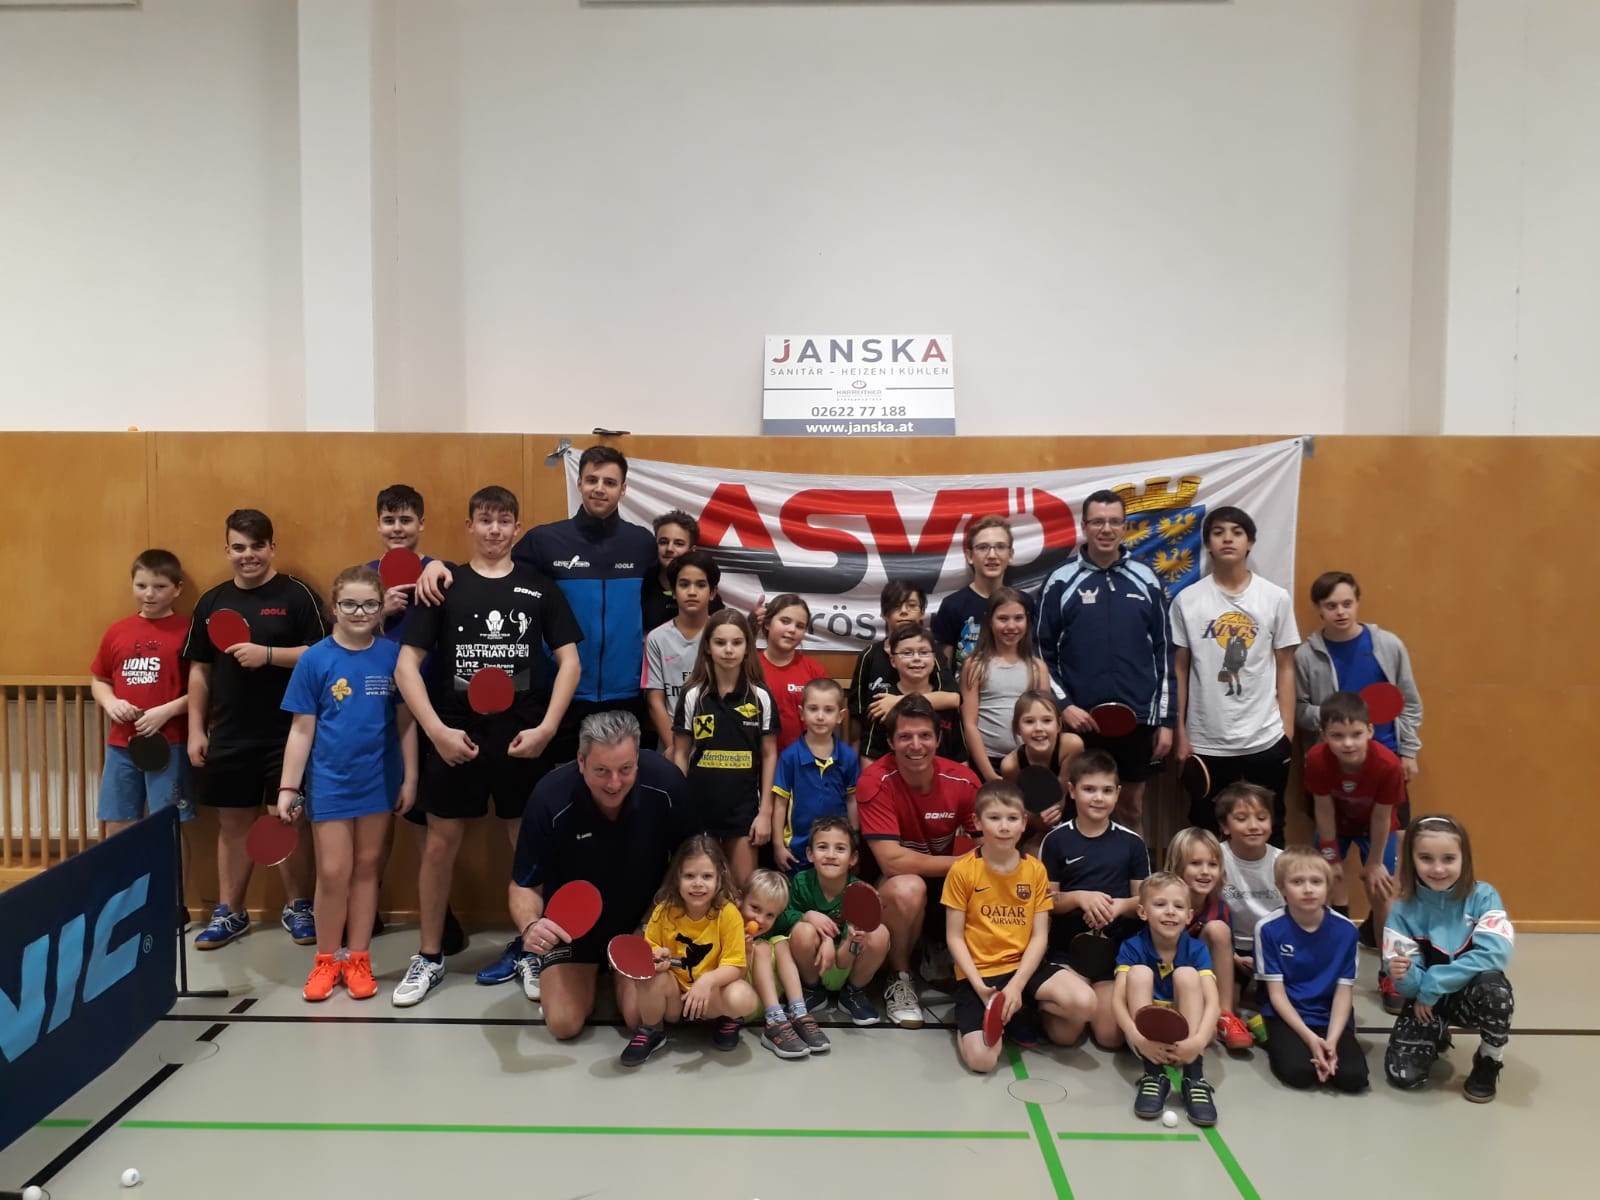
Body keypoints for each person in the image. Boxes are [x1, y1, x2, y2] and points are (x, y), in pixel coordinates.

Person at [391, 485, 582, 1007]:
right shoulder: (443, 586)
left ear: (517, 528)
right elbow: (406, 666)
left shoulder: (540, 587)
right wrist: (436, 731)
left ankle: (533, 950)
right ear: (470, 526)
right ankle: (429, 956)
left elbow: (570, 661)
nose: (494, 529)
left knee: (529, 848)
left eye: (504, 521)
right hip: (457, 736)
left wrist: (546, 729)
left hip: (523, 738)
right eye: (485, 519)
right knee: (439, 845)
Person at [417, 445, 656, 759]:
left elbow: (665, 594)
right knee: (562, 782)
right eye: (591, 480)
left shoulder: (642, 543)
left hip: (627, 693)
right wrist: (440, 566)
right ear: (579, 483)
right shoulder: (546, 540)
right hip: (562, 695)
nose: (599, 488)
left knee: (619, 778)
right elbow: (492, 567)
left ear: (623, 489)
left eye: (610, 482)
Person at [183, 509, 326, 949]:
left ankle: (299, 906)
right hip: (229, 734)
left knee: (288, 819)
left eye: (257, 546)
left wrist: (268, 655)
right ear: (227, 550)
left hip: (289, 733)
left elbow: (324, 652)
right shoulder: (211, 602)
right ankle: (231, 911)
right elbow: (200, 671)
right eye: (239, 547)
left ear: (272, 548)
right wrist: (196, 730)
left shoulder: (297, 595)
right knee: (233, 824)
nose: (248, 555)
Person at [276, 567, 419, 1002]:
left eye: (369, 604)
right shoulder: (315, 659)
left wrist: (410, 777)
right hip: (330, 783)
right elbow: (301, 729)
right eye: (350, 604)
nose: (360, 612)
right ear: (333, 609)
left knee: (367, 869)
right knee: (334, 872)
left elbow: (406, 722)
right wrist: (288, 788)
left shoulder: (393, 656)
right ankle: (326, 960)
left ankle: (358, 958)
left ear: (381, 608)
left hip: (379, 781)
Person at [510, 710, 695, 1040]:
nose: (614, 783)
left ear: (637, 759)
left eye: (625, 769)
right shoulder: (550, 797)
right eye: (601, 771)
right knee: (563, 1024)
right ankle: (588, 975)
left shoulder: (667, 784)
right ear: (581, 762)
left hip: (642, 925)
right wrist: (530, 926)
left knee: (640, 1019)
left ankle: (615, 975)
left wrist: (655, 923)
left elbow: (691, 864)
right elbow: (523, 885)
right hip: (574, 931)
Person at [1037, 489, 1175, 832]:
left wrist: (1165, 720)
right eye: (1098, 522)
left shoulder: (1147, 579)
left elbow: (1164, 653)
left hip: (1138, 719)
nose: (1106, 529)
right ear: (1084, 526)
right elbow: (1040, 652)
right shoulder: (1060, 581)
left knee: (1131, 807)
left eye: (1114, 522)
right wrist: (1064, 705)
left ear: (1125, 527)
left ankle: (1134, 868)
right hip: (1080, 721)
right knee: (1076, 806)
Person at [365, 483, 460, 951]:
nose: (397, 528)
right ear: (378, 525)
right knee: (376, 815)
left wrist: (441, 569)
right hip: (375, 711)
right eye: (389, 520)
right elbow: (340, 637)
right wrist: (378, 613)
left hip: (431, 710)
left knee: (428, 819)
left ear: (422, 524)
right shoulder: (364, 579)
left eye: (406, 520)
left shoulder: (441, 574)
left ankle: (439, 916)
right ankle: (366, 909)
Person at [1171, 506, 1299, 841]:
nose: (1227, 538)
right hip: (1206, 741)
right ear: (1208, 545)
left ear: (1250, 542)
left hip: (1265, 737)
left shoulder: (1275, 598)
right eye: (1218, 532)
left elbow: (1286, 665)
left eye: (1237, 532)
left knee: (1270, 827)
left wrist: (1286, 731)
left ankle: (1271, 882)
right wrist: (1181, 732)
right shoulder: (1187, 601)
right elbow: (1179, 669)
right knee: (1206, 832)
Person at [857, 694, 981, 1028]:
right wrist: (966, 862)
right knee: (908, 888)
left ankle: (980, 969)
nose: (916, 745)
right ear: (890, 742)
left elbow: (990, 848)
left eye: (925, 735)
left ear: (938, 739)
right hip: (889, 886)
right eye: (905, 737)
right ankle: (900, 977)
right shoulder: (874, 781)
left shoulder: (964, 780)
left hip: (944, 885)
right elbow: (892, 863)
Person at [943, 780, 1081, 1071]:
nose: (1004, 827)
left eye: (1012, 818)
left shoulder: (1035, 870)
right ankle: (973, 1021)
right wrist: (980, 987)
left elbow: (1040, 936)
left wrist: (1017, 985)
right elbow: (954, 937)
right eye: (994, 818)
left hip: (1023, 969)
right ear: (977, 822)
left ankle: (1020, 1009)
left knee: (1083, 1004)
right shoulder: (962, 871)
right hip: (980, 975)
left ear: (1024, 823)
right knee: (982, 1061)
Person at [1383, 814, 1514, 1102]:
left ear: (1464, 859)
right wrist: (1403, 975)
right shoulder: (1402, 910)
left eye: (1449, 858)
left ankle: (1489, 1059)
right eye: (1426, 858)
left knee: (1497, 993)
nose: (1438, 868)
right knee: (1403, 1075)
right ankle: (1437, 1031)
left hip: (1463, 996)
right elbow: (1408, 988)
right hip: (1424, 1004)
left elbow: (1495, 953)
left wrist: (1433, 985)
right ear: (1411, 860)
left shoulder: (1484, 896)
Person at [1038, 751, 1149, 1050]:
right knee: (1064, 1037)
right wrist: (1079, 898)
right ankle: (1040, 1002)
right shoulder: (1056, 840)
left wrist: (1119, 906)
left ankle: (1087, 1003)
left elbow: (1144, 902)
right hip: (1067, 952)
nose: (1098, 798)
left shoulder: (1132, 843)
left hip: (1113, 954)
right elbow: (1046, 902)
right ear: (1072, 791)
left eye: (1106, 790)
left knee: (1110, 1038)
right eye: (1089, 789)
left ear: (1118, 793)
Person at [1305, 691, 1405, 1013]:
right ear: (1324, 735)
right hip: (1336, 824)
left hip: (1374, 828)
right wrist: (1331, 856)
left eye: (1356, 734)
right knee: (1323, 881)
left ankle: (1389, 971)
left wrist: (1374, 862)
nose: (1348, 743)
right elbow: (1322, 808)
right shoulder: (1317, 759)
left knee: (1382, 891)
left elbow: (1382, 817)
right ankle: (1332, 957)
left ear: (1370, 731)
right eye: (1337, 736)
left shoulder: (1388, 764)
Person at [620, 835, 759, 1066]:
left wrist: (707, 982)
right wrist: (658, 959)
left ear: (719, 878)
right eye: (689, 876)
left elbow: (735, 966)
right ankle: (652, 1030)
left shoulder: (728, 914)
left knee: (743, 997)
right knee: (649, 977)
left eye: (707, 876)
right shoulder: (663, 911)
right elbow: (649, 955)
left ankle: (728, 1019)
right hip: (675, 1001)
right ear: (677, 878)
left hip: (709, 1000)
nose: (698, 883)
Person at [90, 549, 193, 840]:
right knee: (117, 824)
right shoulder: (117, 631)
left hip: (170, 744)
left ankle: (168, 875)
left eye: (160, 586)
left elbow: (203, 691)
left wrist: (166, 711)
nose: (149, 594)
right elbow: (99, 679)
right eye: (141, 585)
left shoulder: (188, 632)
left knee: (168, 827)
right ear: (132, 584)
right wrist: (111, 702)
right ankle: (124, 875)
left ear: (177, 589)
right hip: (121, 745)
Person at [671, 609, 778, 886]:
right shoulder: (693, 695)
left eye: (737, 642)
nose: (728, 650)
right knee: (701, 889)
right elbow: (680, 753)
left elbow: (769, 755)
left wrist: (765, 812)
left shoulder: (761, 696)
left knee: (743, 890)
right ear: (707, 646)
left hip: (743, 812)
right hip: (698, 810)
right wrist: (679, 808)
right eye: (720, 642)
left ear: (747, 647)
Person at [1255, 847, 1368, 1093]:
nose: (1308, 889)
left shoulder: (1347, 930)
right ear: (1282, 888)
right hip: (1288, 1014)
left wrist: (1331, 1042)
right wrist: (1310, 1039)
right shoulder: (1268, 929)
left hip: (1329, 1015)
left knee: (1353, 1078)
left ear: (1328, 886)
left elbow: (1343, 992)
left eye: (1316, 882)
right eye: (1297, 882)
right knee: (1299, 1074)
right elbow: (1276, 994)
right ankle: (1268, 1033)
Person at [1295, 570, 1424, 786]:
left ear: (1357, 603)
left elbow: (1409, 703)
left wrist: (1409, 752)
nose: (1341, 612)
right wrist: (1334, 716)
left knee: (1390, 810)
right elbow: (1299, 710)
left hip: (1386, 754)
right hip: (1331, 761)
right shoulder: (1305, 656)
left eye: (1347, 604)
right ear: (1319, 608)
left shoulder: (1389, 645)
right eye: (1331, 606)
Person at [1112, 872, 1221, 1126]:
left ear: (1189, 916)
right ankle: (1153, 1074)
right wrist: (1139, 1040)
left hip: (1188, 1038)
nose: (1170, 912)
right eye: (1160, 904)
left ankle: (1194, 1076)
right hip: (1145, 1038)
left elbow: (1213, 1004)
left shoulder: (1197, 950)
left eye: (1179, 906)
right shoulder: (1132, 947)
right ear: (1143, 912)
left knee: (1187, 974)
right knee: (1139, 973)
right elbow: (1117, 1001)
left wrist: (1197, 1042)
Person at [775, 817, 889, 1026]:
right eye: (822, 847)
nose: (830, 855)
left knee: (880, 933)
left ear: (853, 858)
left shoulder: (859, 893)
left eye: (840, 849)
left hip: (847, 960)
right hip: (813, 963)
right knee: (801, 931)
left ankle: (852, 993)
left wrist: (851, 940)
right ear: (810, 854)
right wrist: (807, 916)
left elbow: (843, 961)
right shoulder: (801, 882)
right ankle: (813, 991)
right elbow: (782, 919)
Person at [1167, 826, 1254, 1051]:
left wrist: (1235, 958)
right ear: (1178, 866)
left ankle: (1226, 1016)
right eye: (1195, 863)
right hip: (1169, 973)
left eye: (1212, 865)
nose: (1205, 872)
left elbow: (1219, 943)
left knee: (1218, 930)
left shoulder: (1219, 907)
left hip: (1202, 973)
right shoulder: (1165, 903)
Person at [959, 588, 1052, 781]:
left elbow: (1045, 721)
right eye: (1003, 619)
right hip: (987, 761)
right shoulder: (975, 665)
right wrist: (989, 774)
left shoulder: (1037, 667)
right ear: (989, 621)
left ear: (1027, 621)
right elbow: (969, 723)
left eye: (1018, 618)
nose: (1011, 626)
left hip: (1027, 761)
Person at [770, 678, 859, 872]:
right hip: (797, 851)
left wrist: (854, 839)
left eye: (828, 710)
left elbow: (852, 800)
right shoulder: (789, 757)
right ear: (802, 713)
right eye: (813, 709)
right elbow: (780, 804)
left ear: (840, 716)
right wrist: (778, 845)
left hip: (836, 851)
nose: (820, 716)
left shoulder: (848, 757)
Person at [931, 514, 1037, 676]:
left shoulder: (1024, 602)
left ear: (1010, 554)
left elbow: (1031, 655)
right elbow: (943, 669)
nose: (992, 555)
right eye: (982, 547)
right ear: (969, 556)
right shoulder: (952, 605)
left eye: (1000, 547)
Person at [741, 868, 829, 1059]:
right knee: (762, 947)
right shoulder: (729, 922)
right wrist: (746, 951)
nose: (760, 919)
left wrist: (827, 938)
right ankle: (774, 1022)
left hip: (772, 1000)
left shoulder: (779, 921)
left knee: (781, 943)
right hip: (743, 1001)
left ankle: (798, 1012)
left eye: (770, 915)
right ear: (741, 900)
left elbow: (801, 917)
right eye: (755, 908)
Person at [847, 581, 950, 737]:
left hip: (922, 742)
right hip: (876, 744)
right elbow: (857, 712)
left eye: (911, 605)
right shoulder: (869, 655)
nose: (904, 611)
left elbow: (953, 698)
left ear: (922, 612)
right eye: (896, 606)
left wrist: (897, 701)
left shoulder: (931, 653)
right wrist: (854, 749)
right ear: (884, 614)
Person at [1216, 783, 1282, 1022]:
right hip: (1232, 948)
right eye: (1242, 819)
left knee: (1277, 1005)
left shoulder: (1282, 861)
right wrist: (1233, 956)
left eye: (1262, 818)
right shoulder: (1215, 858)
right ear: (1225, 826)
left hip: (1274, 946)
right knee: (1229, 1004)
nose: (1254, 826)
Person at [856, 624, 963, 764]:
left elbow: (960, 757)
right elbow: (870, 757)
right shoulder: (881, 702)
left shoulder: (945, 699)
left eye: (924, 652)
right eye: (907, 653)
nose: (916, 658)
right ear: (893, 661)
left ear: (934, 658)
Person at [642, 549, 718, 749]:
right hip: (671, 744)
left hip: (718, 747)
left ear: (712, 592)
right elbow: (655, 701)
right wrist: (675, 749)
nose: (692, 592)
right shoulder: (657, 638)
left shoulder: (723, 636)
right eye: (684, 584)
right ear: (674, 592)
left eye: (700, 585)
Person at [997, 690, 1082, 851]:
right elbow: (1018, 809)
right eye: (1029, 722)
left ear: (1058, 725)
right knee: (1032, 851)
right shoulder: (1010, 765)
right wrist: (1037, 822)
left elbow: (1061, 795)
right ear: (1017, 728)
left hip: (1074, 817)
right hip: (1036, 825)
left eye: (1047, 720)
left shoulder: (1072, 746)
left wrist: (1053, 816)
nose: (1038, 728)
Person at [757, 594, 828, 750]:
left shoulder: (814, 671)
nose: (792, 630)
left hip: (802, 759)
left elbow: (825, 722)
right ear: (767, 623)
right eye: (785, 621)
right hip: (758, 757)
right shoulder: (750, 667)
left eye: (800, 626)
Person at [642, 509, 724, 633]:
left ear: (692, 550)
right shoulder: (642, 582)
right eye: (663, 542)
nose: (669, 548)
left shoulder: (705, 589)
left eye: (679, 543)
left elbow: (724, 631)